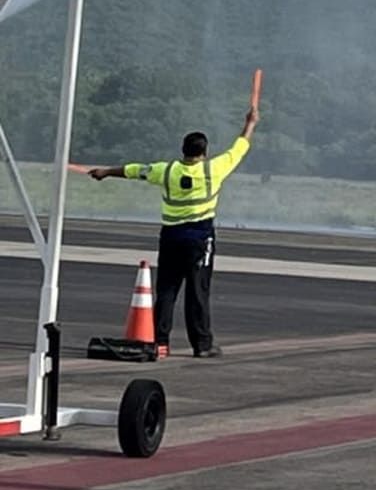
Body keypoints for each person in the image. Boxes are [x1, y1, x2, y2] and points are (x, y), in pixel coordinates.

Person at [90, 107, 258, 357]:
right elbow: (239, 147)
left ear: (183, 150)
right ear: (205, 152)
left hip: (171, 237)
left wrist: (106, 172)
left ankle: (159, 341)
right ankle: (202, 344)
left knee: (167, 290)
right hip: (200, 239)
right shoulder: (214, 170)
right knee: (197, 292)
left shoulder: (165, 171)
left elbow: (135, 170)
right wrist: (250, 123)